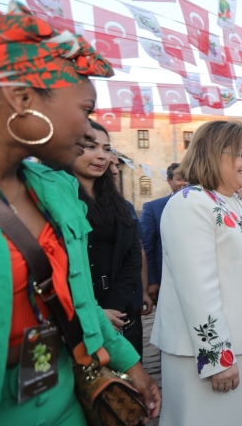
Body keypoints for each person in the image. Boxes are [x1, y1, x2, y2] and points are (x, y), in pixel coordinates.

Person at [0, 1, 159, 422]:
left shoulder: (58, 191)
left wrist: (131, 364)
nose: (89, 131)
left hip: (73, 397)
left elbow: (80, 302)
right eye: (85, 110)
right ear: (22, 97)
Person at [151, 120, 242, 425]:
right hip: (209, 356)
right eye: (241, 153)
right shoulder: (189, 203)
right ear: (213, 154)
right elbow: (197, 288)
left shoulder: (234, 202)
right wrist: (217, 358)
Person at [67, 121, 145, 357]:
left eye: (106, 148)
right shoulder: (57, 201)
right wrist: (97, 313)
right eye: (91, 147)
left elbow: (133, 254)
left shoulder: (118, 203)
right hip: (79, 316)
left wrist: (114, 306)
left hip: (122, 312)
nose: (102, 156)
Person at [140, 162, 185, 305]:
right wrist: (151, 282)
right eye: (180, 179)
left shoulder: (204, 206)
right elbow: (147, 247)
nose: (185, 183)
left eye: (189, 179)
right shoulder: (153, 208)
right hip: (165, 281)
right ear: (169, 180)